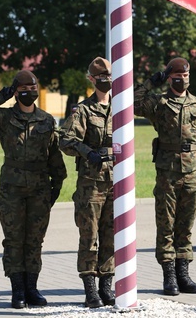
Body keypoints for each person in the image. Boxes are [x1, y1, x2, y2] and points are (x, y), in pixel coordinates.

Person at [0, 69, 67, 309]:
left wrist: (58, 183)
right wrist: (1, 97)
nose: (29, 94)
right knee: (14, 240)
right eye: (23, 91)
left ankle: (32, 288)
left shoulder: (46, 120)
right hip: (11, 189)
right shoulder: (3, 119)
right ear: (15, 93)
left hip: (40, 188)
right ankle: (18, 291)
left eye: (32, 90)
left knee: (34, 240)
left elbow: (54, 155)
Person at [134, 57, 196, 296]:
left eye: (186, 76)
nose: (182, 80)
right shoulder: (159, 103)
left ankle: (184, 275)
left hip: (192, 173)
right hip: (167, 173)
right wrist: (151, 82)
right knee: (166, 225)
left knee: (186, 226)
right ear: (169, 78)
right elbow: (130, 103)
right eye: (177, 77)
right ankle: (169, 276)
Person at [59, 57, 114, 308]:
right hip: (91, 184)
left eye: (109, 76)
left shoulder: (120, 108)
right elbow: (66, 140)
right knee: (89, 236)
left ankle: (106, 286)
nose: (106, 81)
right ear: (92, 79)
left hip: (116, 182)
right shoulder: (82, 111)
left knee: (111, 236)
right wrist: (86, 150)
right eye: (101, 77)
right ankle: (90, 288)